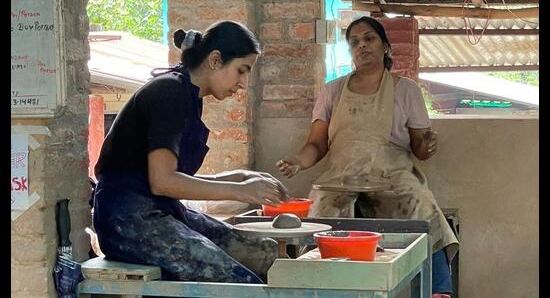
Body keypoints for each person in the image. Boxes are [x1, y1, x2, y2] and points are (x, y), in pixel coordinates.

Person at [92, 21, 289, 284]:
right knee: (238, 281)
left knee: (263, 253)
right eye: (241, 71)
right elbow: (163, 182)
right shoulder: (169, 91)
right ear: (216, 59)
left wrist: (239, 177)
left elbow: (171, 182)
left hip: (158, 209)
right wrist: (240, 191)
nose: (243, 83)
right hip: (126, 219)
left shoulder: (188, 94)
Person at [276, 16, 458, 298]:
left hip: (393, 179)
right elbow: (316, 144)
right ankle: (319, 289)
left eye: (369, 39)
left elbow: (420, 149)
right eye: (354, 42)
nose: (362, 45)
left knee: (424, 208)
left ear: (385, 46)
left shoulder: (406, 90)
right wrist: (297, 162)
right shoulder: (332, 91)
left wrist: (428, 144)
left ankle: (438, 291)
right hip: (340, 180)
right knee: (318, 219)